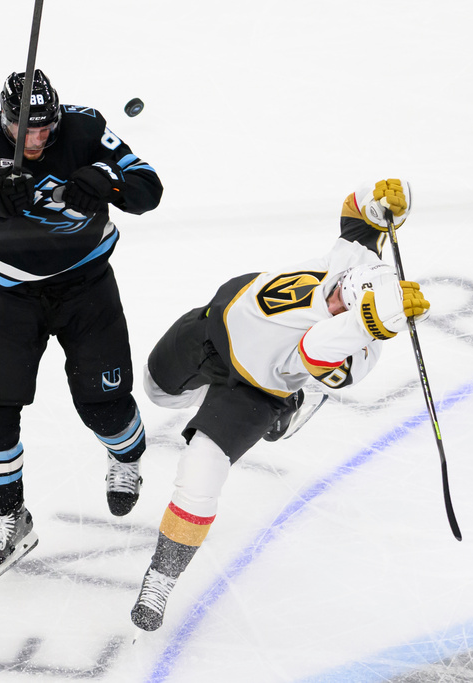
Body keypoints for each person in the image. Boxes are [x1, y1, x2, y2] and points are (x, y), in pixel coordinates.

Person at [129, 179, 430, 631]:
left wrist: (371, 322)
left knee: (200, 474)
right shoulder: (354, 264)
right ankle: (293, 396)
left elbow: (318, 348)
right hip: (208, 334)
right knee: (157, 392)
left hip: (255, 390)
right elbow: (356, 213)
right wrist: (384, 198)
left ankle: (161, 577)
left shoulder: (358, 350)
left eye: (345, 304)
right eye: (341, 290)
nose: (333, 298)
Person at [0, 69, 164, 585]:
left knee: (103, 403)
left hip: (86, 287)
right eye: (27, 131)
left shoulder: (87, 129)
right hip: (10, 294)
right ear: (5, 120)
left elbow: (149, 188)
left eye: (47, 129)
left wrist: (106, 182)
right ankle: (9, 518)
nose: (38, 140)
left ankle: (127, 458)